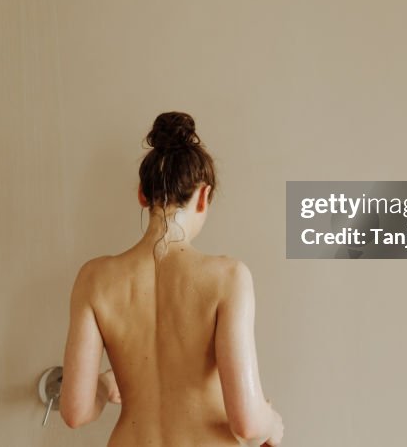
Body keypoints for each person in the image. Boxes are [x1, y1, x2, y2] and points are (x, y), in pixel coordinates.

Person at [59, 112, 285, 446]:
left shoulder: (94, 279)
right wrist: (273, 424)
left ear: (142, 195)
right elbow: (248, 422)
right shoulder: (229, 278)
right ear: (204, 196)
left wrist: (106, 384)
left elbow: (75, 412)